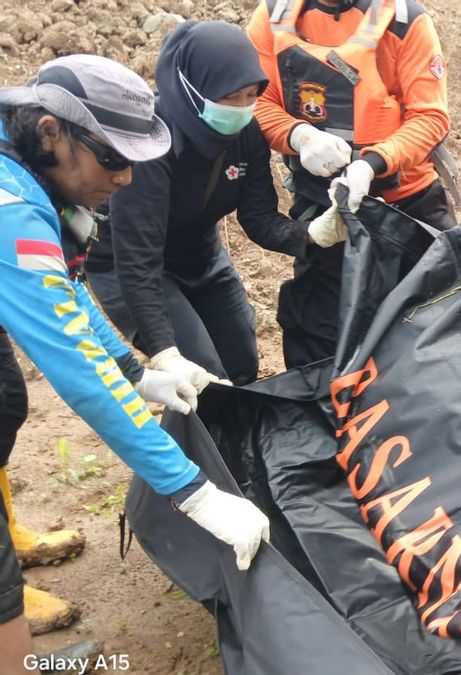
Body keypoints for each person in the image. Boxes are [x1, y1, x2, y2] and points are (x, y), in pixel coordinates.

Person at [0, 54, 270, 670]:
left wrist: (138, 371)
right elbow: (75, 367)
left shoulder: (33, 169)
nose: (126, 179)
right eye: (115, 159)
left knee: (5, 403)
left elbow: (67, 292)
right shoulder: (11, 210)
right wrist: (195, 493)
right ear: (52, 133)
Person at [86, 21, 346, 388]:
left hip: (199, 253)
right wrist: (165, 353)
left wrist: (312, 233)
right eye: (230, 97)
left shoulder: (246, 133)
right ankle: (191, 442)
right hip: (131, 264)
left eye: (250, 96)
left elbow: (257, 218)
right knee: (204, 377)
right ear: (194, 90)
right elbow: (138, 263)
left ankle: (226, 435)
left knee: (240, 364)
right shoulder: (151, 145)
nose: (242, 109)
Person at [248, 0, 457, 369]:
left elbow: (429, 115)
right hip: (326, 209)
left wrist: (372, 164)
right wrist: (298, 135)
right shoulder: (272, 19)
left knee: (437, 328)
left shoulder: (405, 22)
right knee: (319, 337)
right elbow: (257, 101)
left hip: (408, 205)